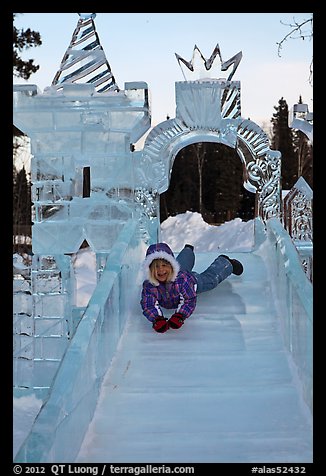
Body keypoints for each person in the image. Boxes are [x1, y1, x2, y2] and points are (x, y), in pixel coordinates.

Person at [140, 242, 243, 333]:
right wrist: (157, 319)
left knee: (210, 281)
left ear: (171, 266)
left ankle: (225, 262)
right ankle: (187, 250)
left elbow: (189, 300)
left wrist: (180, 316)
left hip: (192, 281)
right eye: (156, 267)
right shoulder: (150, 286)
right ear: (149, 269)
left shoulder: (182, 281)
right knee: (182, 265)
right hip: (178, 274)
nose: (161, 270)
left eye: (164, 265)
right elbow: (148, 304)